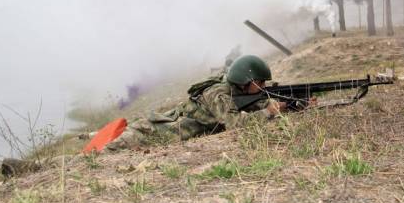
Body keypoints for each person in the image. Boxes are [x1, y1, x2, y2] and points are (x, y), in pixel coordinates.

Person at [106, 55, 288, 150]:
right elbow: (235, 124)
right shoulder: (218, 94)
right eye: (260, 82)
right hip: (153, 132)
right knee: (104, 152)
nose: (264, 86)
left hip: (168, 127)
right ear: (245, 80)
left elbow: (256, 103)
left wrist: (292, 104)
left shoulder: (237, 89)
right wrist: (268, 112)